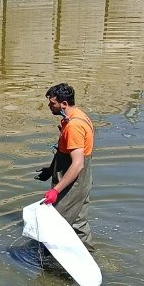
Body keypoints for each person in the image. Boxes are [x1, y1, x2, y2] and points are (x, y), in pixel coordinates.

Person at [36, 83, 94, 249]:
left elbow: (77, 164)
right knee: (79, 224)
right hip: (83, 182)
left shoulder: (74, 126)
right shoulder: (78, 116)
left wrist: (56, 190)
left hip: (72, 183)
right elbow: (66, 151)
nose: (49, 106)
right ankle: (87, 254)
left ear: (64, 104)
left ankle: (50, 264)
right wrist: (51, 169)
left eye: (52, 103)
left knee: (54, 225)